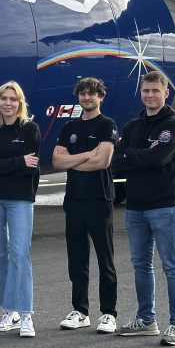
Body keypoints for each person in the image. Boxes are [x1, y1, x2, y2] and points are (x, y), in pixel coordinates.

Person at [110, 70, 175, 346]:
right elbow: (117, 162)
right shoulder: (133, 126)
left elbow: (159, 159)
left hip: (165, 206)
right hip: (136, 207)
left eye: (155, 91)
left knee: (171, 265)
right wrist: (139, 153)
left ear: (166, 93)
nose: (150, 95)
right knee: (141, 266)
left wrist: (133, 153)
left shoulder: (174, 126)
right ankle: (146, 320)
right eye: (146, 91)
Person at [52, 77, 118, 334]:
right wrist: (87, 154)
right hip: (74, 201)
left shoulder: (107, 125)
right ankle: (80, 310)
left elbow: (102, 162)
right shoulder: (69, 127)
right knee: (77, 260)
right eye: (83, 94)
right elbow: (57, 162)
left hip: (99, 199)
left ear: (100, 97)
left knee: (105, 259)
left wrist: (74, 160)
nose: (87, 98)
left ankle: (108, 313)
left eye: (92, 94)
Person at [0, 81, 40, 338]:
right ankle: (9, 311)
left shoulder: (30, 130)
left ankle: (25, 314)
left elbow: (31, 166)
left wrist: (0, 163)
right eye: (4, 98)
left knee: (19, 254)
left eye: (13, 99)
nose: (8, 103)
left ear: (20, 103)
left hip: (20, 200)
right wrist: (17, 162)